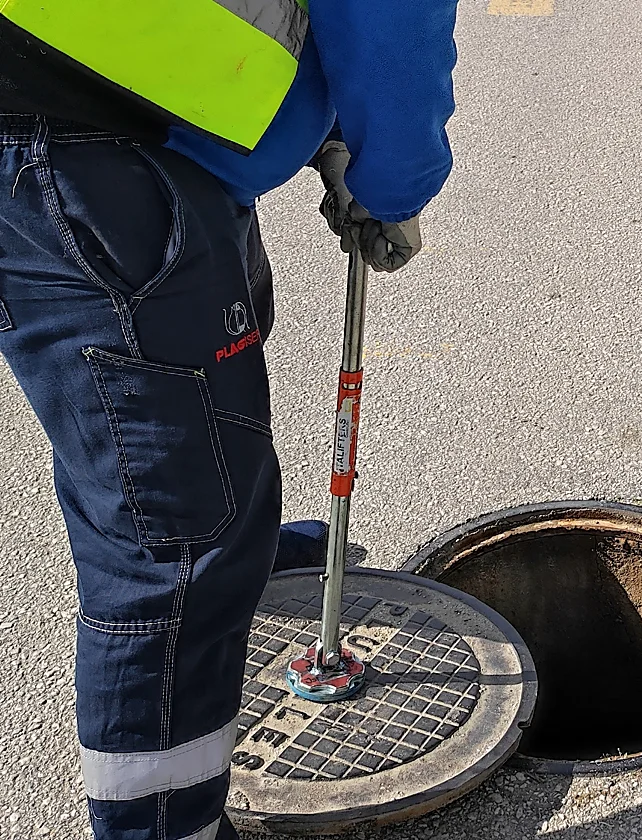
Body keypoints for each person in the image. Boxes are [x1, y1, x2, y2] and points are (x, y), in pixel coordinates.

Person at [0, 2, 457, 838]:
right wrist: (395, 178)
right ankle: (166, 826)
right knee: (170, 540)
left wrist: (329, 139)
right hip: (85, 143)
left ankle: (238, 549)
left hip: (130, 128)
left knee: (162, 415)